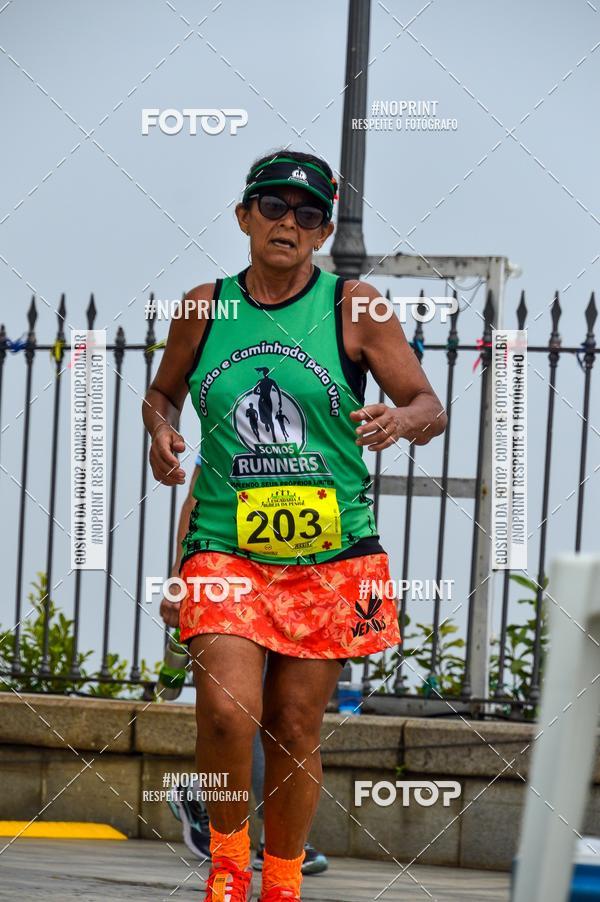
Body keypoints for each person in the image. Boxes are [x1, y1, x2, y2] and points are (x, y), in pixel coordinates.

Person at [144, 149, 447, 902]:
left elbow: (429, 407)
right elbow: (161, 395)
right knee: (225, 710)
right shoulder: (203, 307)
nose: (289, 222)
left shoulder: (357, 307)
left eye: (308, 214)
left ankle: (280, 883)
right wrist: (160, 431)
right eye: (273, 207)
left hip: (332, 551)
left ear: (323, 231)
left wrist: (397, 419)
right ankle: (225, 866)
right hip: (225, 545)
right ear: (244, 216)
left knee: (295, 723)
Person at [163, 454, 329, 876]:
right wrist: (181, 574)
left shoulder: (335, 409)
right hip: (231, 567)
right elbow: (197, 496)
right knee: (233, 707)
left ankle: (279, 838)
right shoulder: (234, 401)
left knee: (291, 717)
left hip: (311, 573)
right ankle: (237, 846)